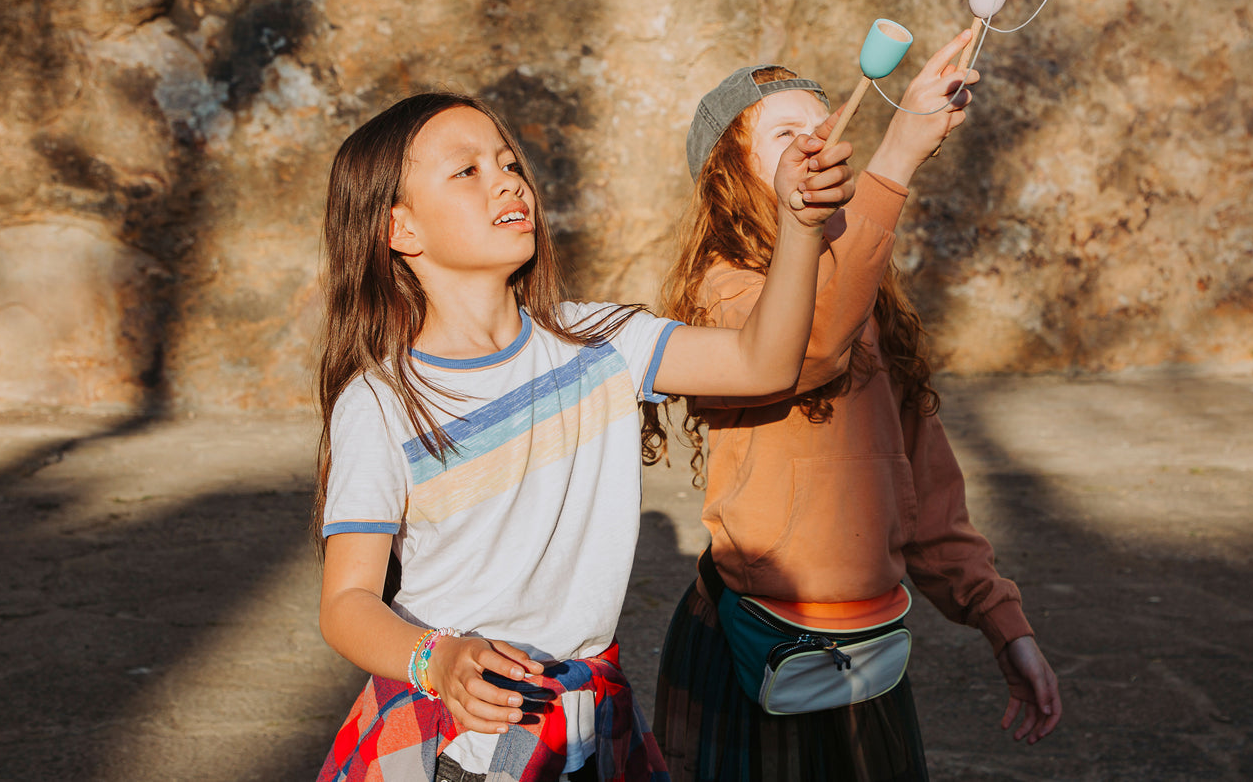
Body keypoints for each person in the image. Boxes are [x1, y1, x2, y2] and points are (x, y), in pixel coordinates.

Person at [312, 90, 857, 782]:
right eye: (467, 171)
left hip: (591, 726)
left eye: (508, 162)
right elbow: (346, 603)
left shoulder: (601, 342)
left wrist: (800, 224)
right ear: (400, 231)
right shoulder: (380, 402)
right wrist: (438, 658)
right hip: (456, 741)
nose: (508, 179)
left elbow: (765, 361)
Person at [644, 33, 1062, 782]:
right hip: (753, 645)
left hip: (866, 651)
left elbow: (926, 494)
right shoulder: (723, 289)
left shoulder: (867, 300)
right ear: (730, 177)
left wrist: (1004, 624)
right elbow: (803, 350)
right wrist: (894, 158)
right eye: (783, 133)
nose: (817, 139)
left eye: (823, 121)